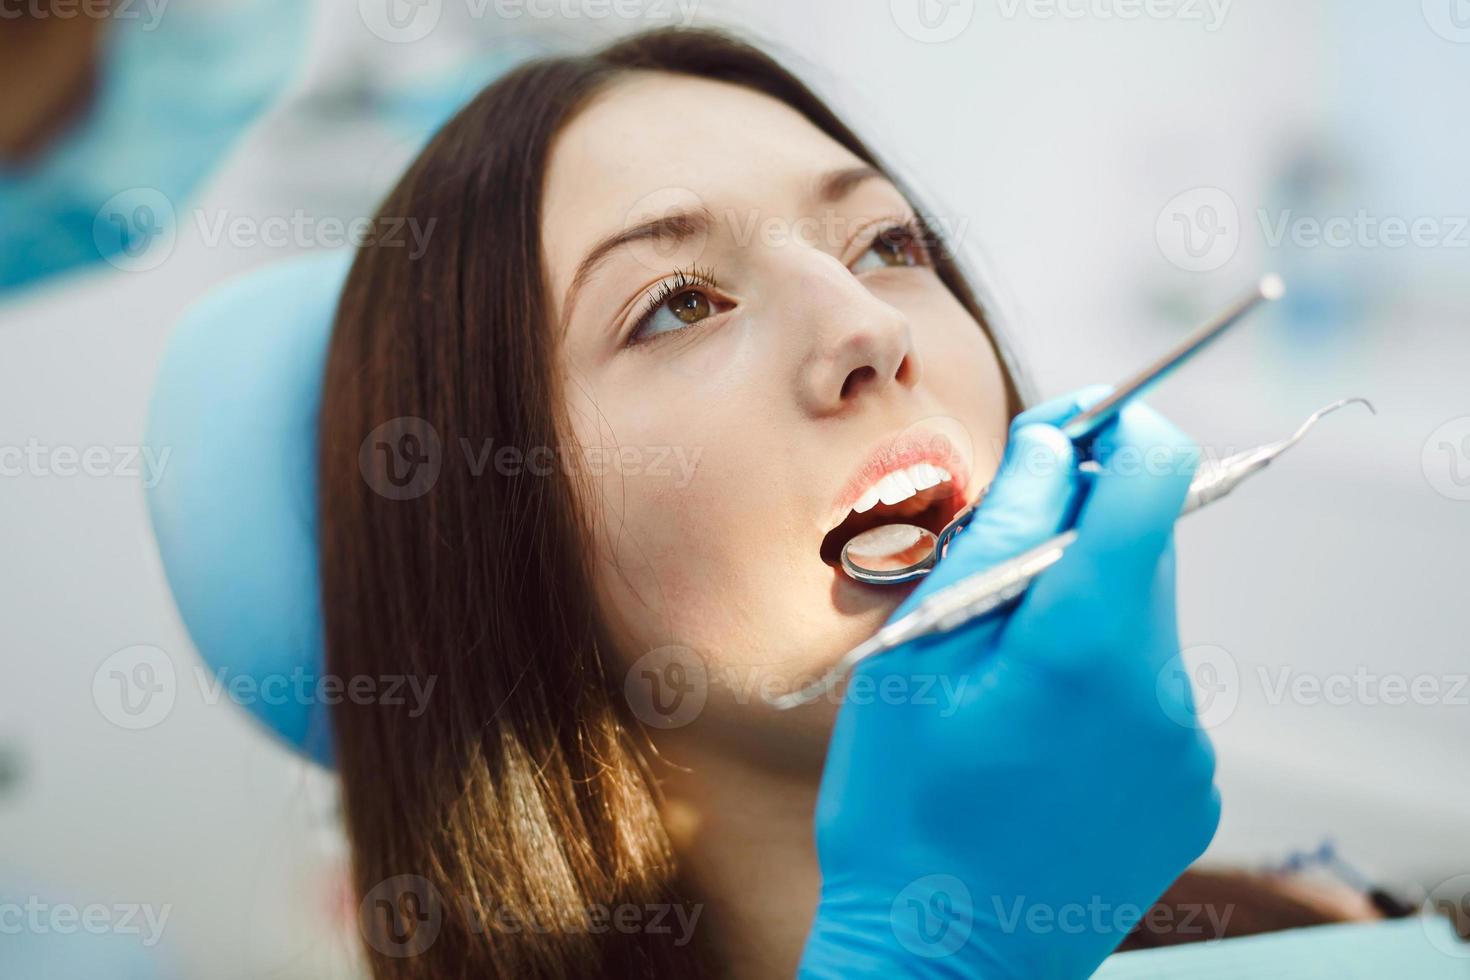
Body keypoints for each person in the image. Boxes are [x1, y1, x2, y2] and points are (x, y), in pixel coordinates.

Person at [315, 27, 1373, 978]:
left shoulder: (1324, 933)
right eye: (679, 303)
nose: (868, 324)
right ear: (496, 539)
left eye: (887, 244)